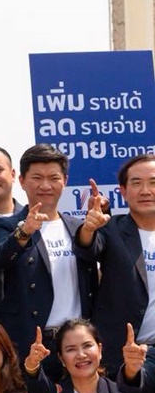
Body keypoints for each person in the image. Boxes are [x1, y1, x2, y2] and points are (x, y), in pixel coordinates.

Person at [0, 144, 97, 380]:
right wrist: (25, 231)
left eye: (54, 178)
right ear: (22, 180)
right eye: (37, 178)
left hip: (76, 344)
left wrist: (92, 228)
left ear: (65, 181)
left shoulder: (78, 227)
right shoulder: (7, 225)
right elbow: (0, 258)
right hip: (32, 344)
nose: (46, 185)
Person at [74, 154, 155, 377]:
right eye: (136, 183)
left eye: (153, 182)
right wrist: (89, 228)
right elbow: (88, 250)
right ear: (123, 191)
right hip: (120, 357)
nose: (146, 191)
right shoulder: (112, 229)